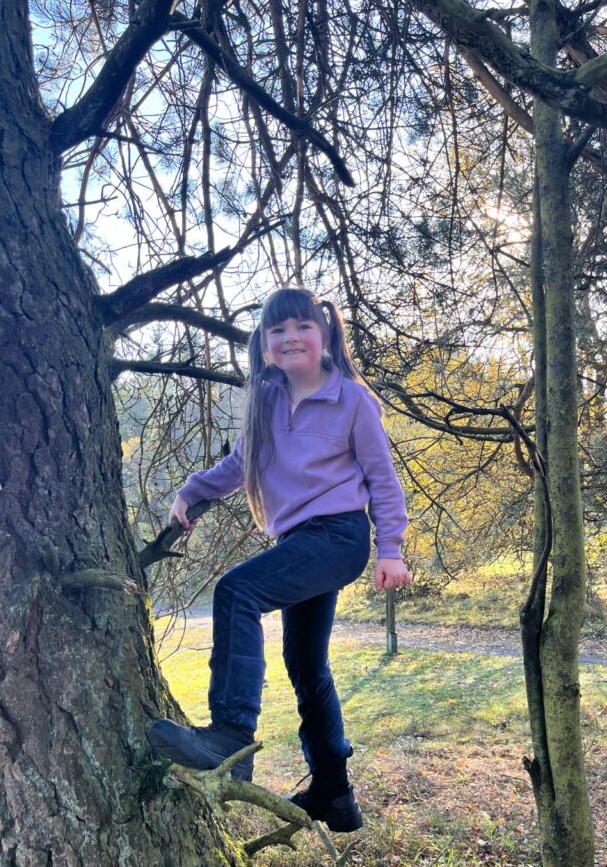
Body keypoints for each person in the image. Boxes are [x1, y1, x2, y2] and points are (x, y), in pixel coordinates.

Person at [148, 287, 412, 832]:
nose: (291, 337)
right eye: (278, 330)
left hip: (338, 536)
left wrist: (391, 548)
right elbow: (239, 465)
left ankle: (231, 734)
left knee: (236, 591)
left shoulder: (351, 400)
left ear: (325, 334)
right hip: (297, 543)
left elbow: (383, 479)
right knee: (306, 663)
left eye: (302, 326)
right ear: (265, 345)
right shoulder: (266, 401)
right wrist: (192, 491)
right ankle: (335, 792)